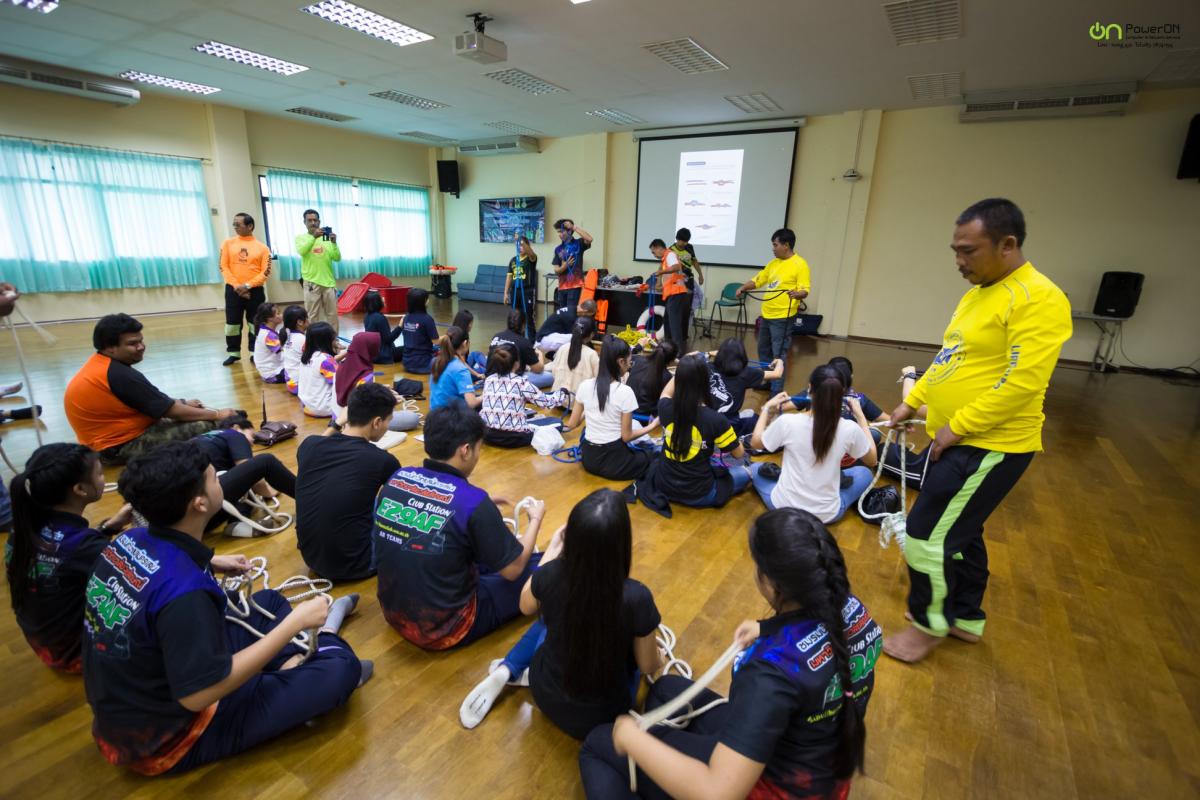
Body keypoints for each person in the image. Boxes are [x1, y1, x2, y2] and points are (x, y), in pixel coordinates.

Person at [82, 442, 367, 775]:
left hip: (136, 699)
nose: (222, 480)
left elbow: (158, 578)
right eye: (215, 478)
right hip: (168, 738)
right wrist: (295, 624)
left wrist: (212, 562)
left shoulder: (130, 539)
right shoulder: (186, 594)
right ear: (199, 503)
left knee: (270, 602)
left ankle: (291, 666)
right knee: (340, 670)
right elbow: (197, 696)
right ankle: (326, 638)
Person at [579, 507, 882, 800]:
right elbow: (813, 639)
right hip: (805, 761)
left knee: (597, 745)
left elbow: (718, 793)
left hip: (770, 787)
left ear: (771, 583)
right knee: (664, 689)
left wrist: (632, 739)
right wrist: (766, 628)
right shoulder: (856, 612)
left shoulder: (769, 674)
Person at [884, 198, 1071, 664]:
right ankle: (965, 617)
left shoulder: (1039, 297)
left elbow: (1023, 384)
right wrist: (912, 401)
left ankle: (929, 623)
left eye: (968, 251)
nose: (959, 261)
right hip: (958, 438)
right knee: (962, 531)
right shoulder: (977, 294)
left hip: (991, 445)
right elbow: (949, 359)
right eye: (956, 250)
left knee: (926, 535)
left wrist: (956, 427)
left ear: (1007, 244)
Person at [460, 488, 664, 737]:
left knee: (546, 620)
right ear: (622, 544)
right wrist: (659, 656)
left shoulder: (551, 574)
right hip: (603, 714)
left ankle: (509, 667)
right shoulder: (637, 597)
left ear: (572, 536)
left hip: (545, 693)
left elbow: (525, 605)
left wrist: (551, 552)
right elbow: (647, 666)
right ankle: (512, 669)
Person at [373, 403, 545, 650]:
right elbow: (513, 570)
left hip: (394, 613)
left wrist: (478, 509)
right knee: (547, 566)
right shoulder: (473, 501)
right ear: (465, 450)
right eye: (478, 448)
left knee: (470, 549)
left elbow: (436, 509)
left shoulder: (396, 479)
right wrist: (535, 519)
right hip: (448, 628)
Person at [6, 443, 132, 672]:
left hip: (47, 642)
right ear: (80, 489)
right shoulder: (84, 547)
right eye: (100, 474)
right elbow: (136, 575)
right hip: (76, 654)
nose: (103, 478)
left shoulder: (24, 528)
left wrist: (108, 527)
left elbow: (68, 554)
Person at [64, 314, 239, 465]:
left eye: (141, 340)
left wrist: (183, 403)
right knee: (214, 423)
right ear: (110, 347)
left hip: (110, 440)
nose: (141, 347)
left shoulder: (103, 365)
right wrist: (217, 415)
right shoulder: (119, 374)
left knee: (198, 414)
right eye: (133, 343)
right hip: (118, 447)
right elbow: (172, 411)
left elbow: (148, 399)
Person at [295, 383, 401, 581]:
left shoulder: (309, 446)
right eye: (389, 421)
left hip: (311, 558)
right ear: (377, 422)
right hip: (357, 564)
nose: (388, 427)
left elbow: (320, 442)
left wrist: (336, 424)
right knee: (394, 508)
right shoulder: (382, 460)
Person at [749, 365, 877, 522]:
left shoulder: (787, 421)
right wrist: (861, 418)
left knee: (754, 468)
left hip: (784, 507)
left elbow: (755, 443)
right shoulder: (850, 428)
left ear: (809, 388)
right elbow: (872, 460)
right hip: (827, 514)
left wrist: (766, 408)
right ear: (842, 394)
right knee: (864, 474)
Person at [634, 354, 750, 513]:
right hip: (700, 493)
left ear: (679, 380)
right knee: (749, 472)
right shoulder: (716, 420)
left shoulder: (665, 407)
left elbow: (666, 393)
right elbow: (739, 454)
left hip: (664, 485)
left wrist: (683, 368)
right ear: (705, 382)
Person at [563, 336, 659, 481]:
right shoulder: (625, 392)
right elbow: (627, 436)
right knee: (652, 455)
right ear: (621, 362)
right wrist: (652, 426)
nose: (629, 365)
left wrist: (589, 410)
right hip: (614, 462)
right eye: (629, 362)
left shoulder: (585, 386)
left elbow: (572, 423)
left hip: (589, 459)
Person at [736, 228, 811, 394]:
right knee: (763, 350)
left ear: (786, 245)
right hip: (767, 314)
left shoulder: (800, 264)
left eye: (775, 245)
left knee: (779, 355)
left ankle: (776, 391)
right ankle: (768, 381)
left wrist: (797, 294)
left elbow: (805, 290)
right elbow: (758, 280)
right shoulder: (773, 264)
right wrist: (743, 287)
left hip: (783, 317)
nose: (773, 248)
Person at [479, 347, 569, 448]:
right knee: (556, 422)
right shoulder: (521, 382)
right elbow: (546, 402)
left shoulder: (489, 380)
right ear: (517, 364)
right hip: (515, 438)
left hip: (488, 435)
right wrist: (562, 393)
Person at [333, 332, 421, 432]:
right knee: (413, 418)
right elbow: (367, 410)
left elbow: (354, 391)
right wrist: (389, 400)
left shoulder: (341, 365)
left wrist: (378, 389)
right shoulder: (366, 376)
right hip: (357, 423)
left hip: (338, 418)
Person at [219, 212, 272, 367]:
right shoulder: (227, 244)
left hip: (255, 292)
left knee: (254, 323)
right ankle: (233, 353)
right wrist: (237, 286)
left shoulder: (263, 248)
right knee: (232, 324)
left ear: (250, 226)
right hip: (233, 290)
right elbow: (223, 266)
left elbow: (266, 272)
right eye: (234, 224)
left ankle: (255, 352)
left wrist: (247, 286)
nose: (235, 227)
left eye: (238, 224)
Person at [706, 339, 783, 437]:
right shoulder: (746, 373)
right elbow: (777, 374)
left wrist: (709, 353)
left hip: (705, 419)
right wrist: (780, 361)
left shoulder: (708, 367)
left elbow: (689, 358)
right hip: (728, 424)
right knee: (754, 418)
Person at [297, 209, 341, 333]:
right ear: (304, 222)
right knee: (312, 316)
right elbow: (302, 251)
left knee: (332, 315)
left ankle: (333, 340)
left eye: (315, 220)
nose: (313, 223)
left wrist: (334, 243)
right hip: (311, 282)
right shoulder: (301, 238)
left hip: (328, 282)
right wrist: (313, 237)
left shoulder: (326, 238)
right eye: (309, 220)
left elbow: (337, 258)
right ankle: (313, 341)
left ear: (319, 222)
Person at [490, 308, 553, 390]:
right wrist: (540, 354)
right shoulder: (523, 342)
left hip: (491, 377)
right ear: (523, 325)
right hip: (512, 381)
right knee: (550, 376)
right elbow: (538, 369)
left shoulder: (496, 336)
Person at [649, 238, 691, 351]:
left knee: (674, 324)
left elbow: (676, 267)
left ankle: (678, 351)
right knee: (667, 322)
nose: (654, 255)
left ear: (659, 248)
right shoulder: (665, 259)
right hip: (672, 294)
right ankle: (668, 347)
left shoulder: (670, 255)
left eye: (653, 252)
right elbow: (670, 277)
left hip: (677, 293)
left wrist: (661, 272)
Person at [296, 322, 340, 421]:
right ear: (327, 340)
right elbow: (339, 383)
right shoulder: (326, 360)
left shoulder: (306, 356)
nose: (335, 340)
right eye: (334, 338)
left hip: (307, 405)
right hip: (324, 408)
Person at [430, 326, 482, 411]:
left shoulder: (435, 361)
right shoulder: (461, 369)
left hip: (434, 413)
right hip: (451, 416)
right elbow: (472, 403)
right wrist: (486, 395)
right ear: (465, 343)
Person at [627, 340, 679, 417]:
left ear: (655, 350)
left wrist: (639, 346)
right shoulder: (667, 376)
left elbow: (628, 356)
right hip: (646, 415)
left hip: (628, 408)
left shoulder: (637, 360)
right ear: (672, 360)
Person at [551, 218, 593, 310]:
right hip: (562, 288)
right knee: (563, 314)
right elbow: (556, 270)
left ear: (569, 231)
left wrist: (574, 227)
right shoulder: (558, 249)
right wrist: (565, 266)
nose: (560, 234)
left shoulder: (579, 243)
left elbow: (589, 239)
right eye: (558, 232)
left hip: (575, 286)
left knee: (572, 313)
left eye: (562, 231)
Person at [550, 317, 599, 395]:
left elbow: (554, 373)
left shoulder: (563, 348)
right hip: (578, 401)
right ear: (592, 334)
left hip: (556, 397)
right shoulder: (592, 354)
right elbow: (598, 381)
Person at [504, 235, 539, 340]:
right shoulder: (513, 260)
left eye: (522, 245)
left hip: (527, 291)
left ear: (527, 245)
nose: (520, 247)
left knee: (528, 316)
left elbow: (532, 253)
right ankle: (517, 339)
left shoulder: (531, 258)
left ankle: (532, 341)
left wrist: (521, 240)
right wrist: (505, 293)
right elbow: (509, 277)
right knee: (515, 316)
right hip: (515, 291)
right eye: (518, 245)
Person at [401, 287, 438, 374]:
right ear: (423, 302)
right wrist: (447, 337)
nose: (428, 301)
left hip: (407, 363)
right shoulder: (427, 319)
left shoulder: (406, 318)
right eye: (427, 299)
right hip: (423, 364)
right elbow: (436, 341)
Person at [362, 291, 403, 365]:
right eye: (381, 298)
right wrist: (400, 326)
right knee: (409, 349)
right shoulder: (380, 318)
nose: (383, 298)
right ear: (376, 302)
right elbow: (388, 339)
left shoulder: (367, 317)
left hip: (373, 355)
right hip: (384, 356)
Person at [672, 227, 705, 320]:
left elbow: (694, 261)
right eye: (682, 241)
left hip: (689, 277)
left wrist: (700, 275)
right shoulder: (671, 250)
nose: (684, 243)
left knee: (699, 295)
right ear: (677, 239)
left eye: (686, 241)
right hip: (677, 278)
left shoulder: (689, 247)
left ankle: (690, 311)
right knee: (683, 299)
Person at [251, 303, 286, 384]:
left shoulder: (265, 330)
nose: (281, 315)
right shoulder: (269, 336)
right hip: (273, 374)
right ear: (270, 318)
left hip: (269, 370)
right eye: (278, 313)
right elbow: (284, 354)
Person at [281, 305, 308, 395]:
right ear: (300, 322)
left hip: (291, 384)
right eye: (307, 318)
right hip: (301, 386)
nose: (308, 320)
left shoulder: (287, 336)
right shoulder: (302, 339)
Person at [453, 308, 487, 378]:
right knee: (485, 372)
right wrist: (477, 374)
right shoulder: (460, 338)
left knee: (476, 354)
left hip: (463, 364)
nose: (471, 325)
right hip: (461, 372)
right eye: (470, 323)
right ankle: (489, 369)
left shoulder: (453, 332)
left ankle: (489, 367)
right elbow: (462, 364)